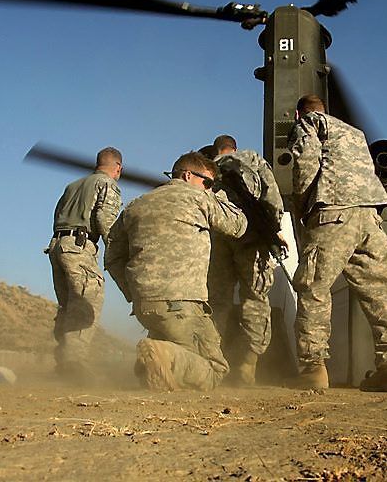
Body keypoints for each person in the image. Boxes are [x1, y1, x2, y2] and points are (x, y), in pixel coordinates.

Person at [287, 94, 387, 391]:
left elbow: (305, 165)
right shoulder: (354, 134)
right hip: (370, 217)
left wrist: (302, 206)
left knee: (314, 286)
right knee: (378, 291)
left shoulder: (310, 124)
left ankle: (313, 368)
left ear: (297, 114)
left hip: (333, 213)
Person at [104, 151, 247, 391]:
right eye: (208, 183)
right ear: (188, 175)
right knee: (214, 369)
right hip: (182, 305)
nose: (208, 188)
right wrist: (218, 195)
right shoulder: (198, 199)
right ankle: (164, 354)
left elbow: (112, 256)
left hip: (145, 306)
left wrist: (133, 291)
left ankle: (157, 360)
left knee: (176, 360)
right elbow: (238, 225)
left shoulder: (136, 204)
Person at [206, 134, 287, 385]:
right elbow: (271, 195)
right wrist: (275, 230)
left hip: (218, 237)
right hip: (251, 236)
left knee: (217, 300)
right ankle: (247, 365)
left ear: (215, 150)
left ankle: (211, 362)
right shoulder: (252, 159)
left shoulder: (206, 168)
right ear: (234, 148)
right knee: (255, 297)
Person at [46, 146, 123, 383]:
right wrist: (118, 249)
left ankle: (64, 360)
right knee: (86, 302)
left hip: (57, 245)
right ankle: (74, 363)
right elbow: (104, 219)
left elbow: (57, 214)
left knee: (68, 305)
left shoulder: (72, 186)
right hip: (80, 246)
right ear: (118, 168)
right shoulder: (107, 185)